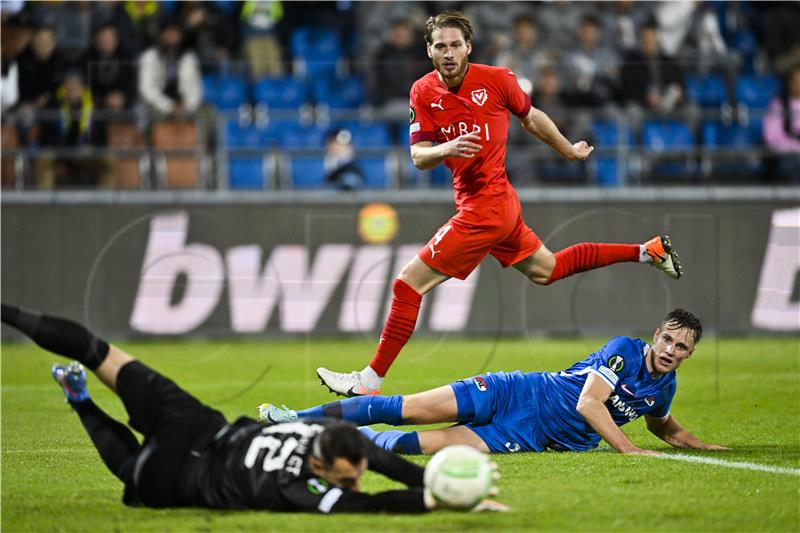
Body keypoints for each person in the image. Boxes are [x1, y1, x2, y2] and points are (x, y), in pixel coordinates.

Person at [317, 11, 683, 398]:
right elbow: (419, 156)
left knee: (407, 285)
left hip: (487, 207)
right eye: (440, 45)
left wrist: (569, 150)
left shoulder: (497, 79)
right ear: (429, 50)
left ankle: (369, 382)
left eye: (456, 45)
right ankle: (647, 252)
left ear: (468, 47)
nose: (449, 52)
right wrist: (449, 148)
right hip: (493, 206)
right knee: (548, 269)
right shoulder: (422, 92)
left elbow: (532, 117)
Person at [0, 303, 503, 513]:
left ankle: (10, 313)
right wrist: (439, 499)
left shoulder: (316, 437)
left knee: (99, 351)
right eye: (344, 478)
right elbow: (369, 505)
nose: (347, 484)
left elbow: (379, 464)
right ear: (320, 465)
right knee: (133, 469)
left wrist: (433, 483)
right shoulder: (299, 486)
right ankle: (81, 402)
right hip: (183, 474)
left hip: (197, 423)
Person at [262, 309, 729, 457]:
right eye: (667, 339)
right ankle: (295, 419)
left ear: (689, 354)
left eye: (681, 347)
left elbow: (661, 425)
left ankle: (344, 438)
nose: (670, 350)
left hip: (527, 434)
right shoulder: (624, 351)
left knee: (423, 445)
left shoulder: (662, 388)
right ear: (655, 335)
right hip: (519, 392)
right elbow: (590, 404)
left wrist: (697, 444)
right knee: (405, 406)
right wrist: (627, 451)